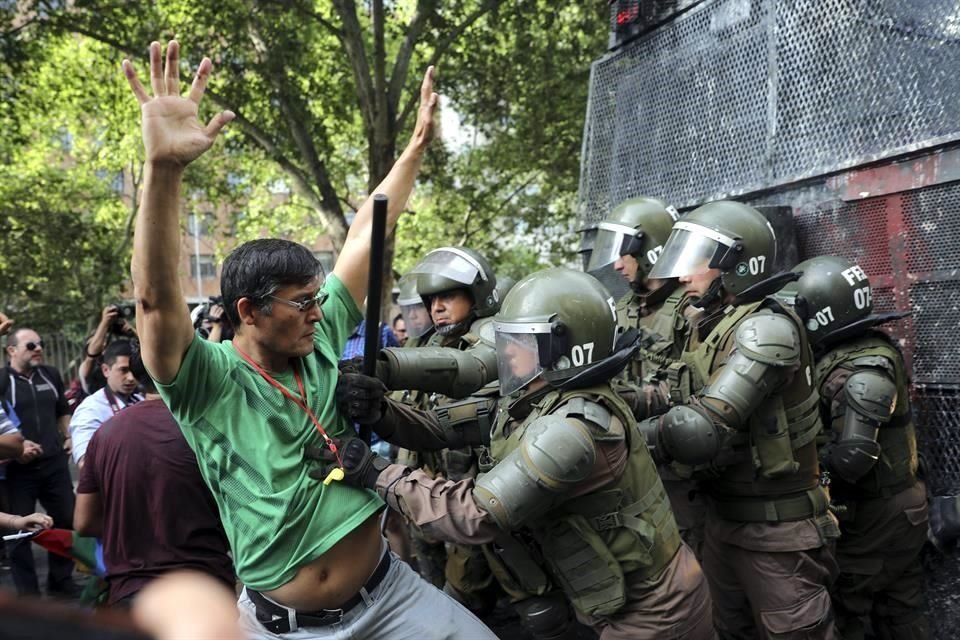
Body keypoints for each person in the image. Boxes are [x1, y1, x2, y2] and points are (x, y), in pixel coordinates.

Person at [124, 39, 495, 639]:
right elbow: (154, 299)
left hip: (391, 596)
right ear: (248, 310)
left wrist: (417, 148)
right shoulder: (203, 379)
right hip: (284, 627)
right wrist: (163, 170)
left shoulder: (317, 335)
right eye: (301, 304)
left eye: (318, 299)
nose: (320, 315)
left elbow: (368, 230)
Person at [326, 267, 715, 640]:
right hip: (621, 602)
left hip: (655, 613)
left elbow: (475, 515)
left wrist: (377, 473)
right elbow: (440, 427)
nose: (507, 355)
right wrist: (381, 411)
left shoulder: (573, 428)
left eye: (520, 343)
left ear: (561, 350)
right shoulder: (540, 399)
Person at [641, 200, 838, 638]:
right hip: (723, 518)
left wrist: (622, 443)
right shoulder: (712, 323)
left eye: (697, 262)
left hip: (777, 530)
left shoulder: (765, 330)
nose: (683, 275)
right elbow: (676, 389)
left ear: (737, 264)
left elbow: (700, 429)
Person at [776, 256, 927, 640]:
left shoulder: (861, 369)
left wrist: (813, 475)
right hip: (901, 508)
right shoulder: (862, 352)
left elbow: (851, 459)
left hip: (874, 517)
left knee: (848, 610)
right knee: (902, 610)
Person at [588, 196, 707, 558]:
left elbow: (699, 389)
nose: (616, 264)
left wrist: (629, 398)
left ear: (651, 251)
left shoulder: (692, 311)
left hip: (679, 470)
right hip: (630, 464)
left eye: (624, 253)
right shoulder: (621, 309)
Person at [74, 346, 234, 607]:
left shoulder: (105, 434)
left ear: (138, 376)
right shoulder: (210, 428)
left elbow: (84, 521)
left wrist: (138, 525)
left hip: (131, 590)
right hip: (204, 589)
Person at [2, 327, 77, 597]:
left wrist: (68, 436)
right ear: (11, 350)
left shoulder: (51, 374)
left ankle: (61, 582)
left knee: (66, 519)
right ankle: (28, 595)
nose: (38, 349)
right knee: (20, 531)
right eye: (31, 345)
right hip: (18, 470)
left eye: (40, 344)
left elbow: (62, 411)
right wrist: (15, 451)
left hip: (55, 464)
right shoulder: (2, 380)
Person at [69, 339, 143, 467]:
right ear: (105, 370)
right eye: (123, 370)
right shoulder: (90, 409)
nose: (131, 378)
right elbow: (85, 464)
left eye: (134, 370)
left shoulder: (141, 400)